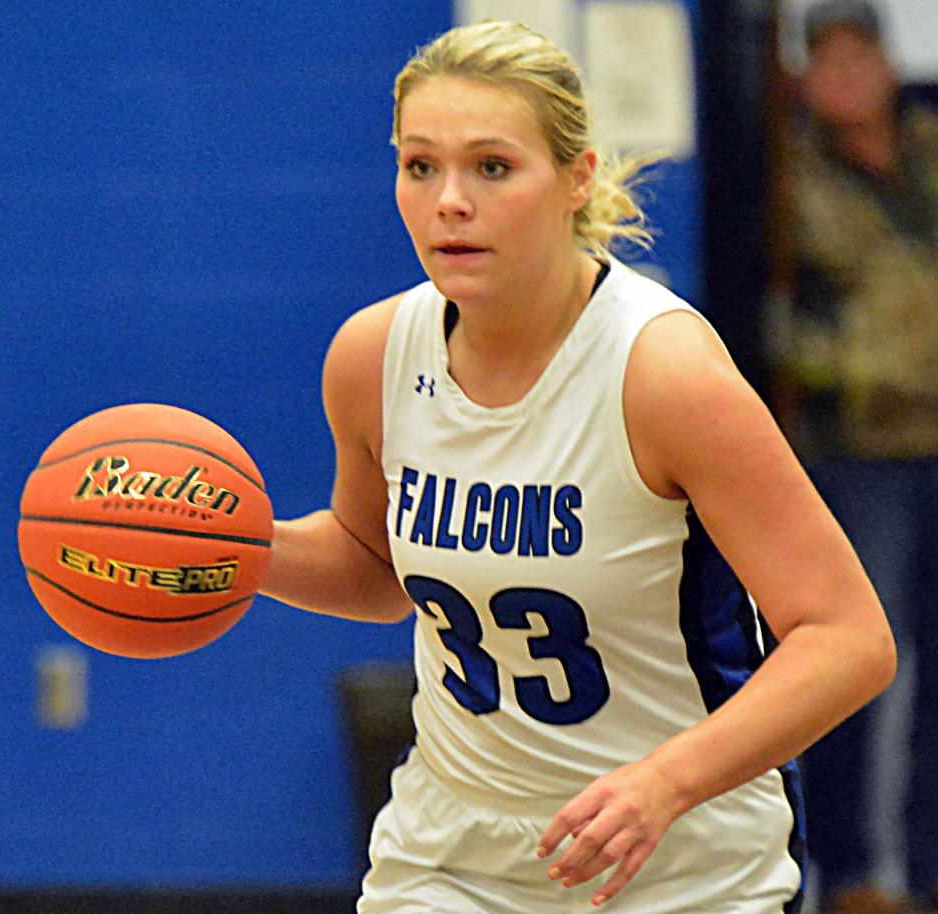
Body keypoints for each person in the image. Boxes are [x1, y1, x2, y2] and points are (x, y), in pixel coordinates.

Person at [261, 19, 895, 914]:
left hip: (680, 856)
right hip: (454, 851)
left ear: (577, 177)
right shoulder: (372, 356)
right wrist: (238, 550)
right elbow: (376, 568)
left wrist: (665, 781)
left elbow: (849, 640)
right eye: (420, 166)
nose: (449, 200)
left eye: (491, 167)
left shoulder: (662, 374)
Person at [770, 1, 938, 911]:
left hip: (937, 447)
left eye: (858, 56)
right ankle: (855, 875)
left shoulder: (929, 149)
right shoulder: (786, 168)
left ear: (884, 62)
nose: (844, 75)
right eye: (823, 58)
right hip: (852, 453)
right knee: (856, 667)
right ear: (800, 74)